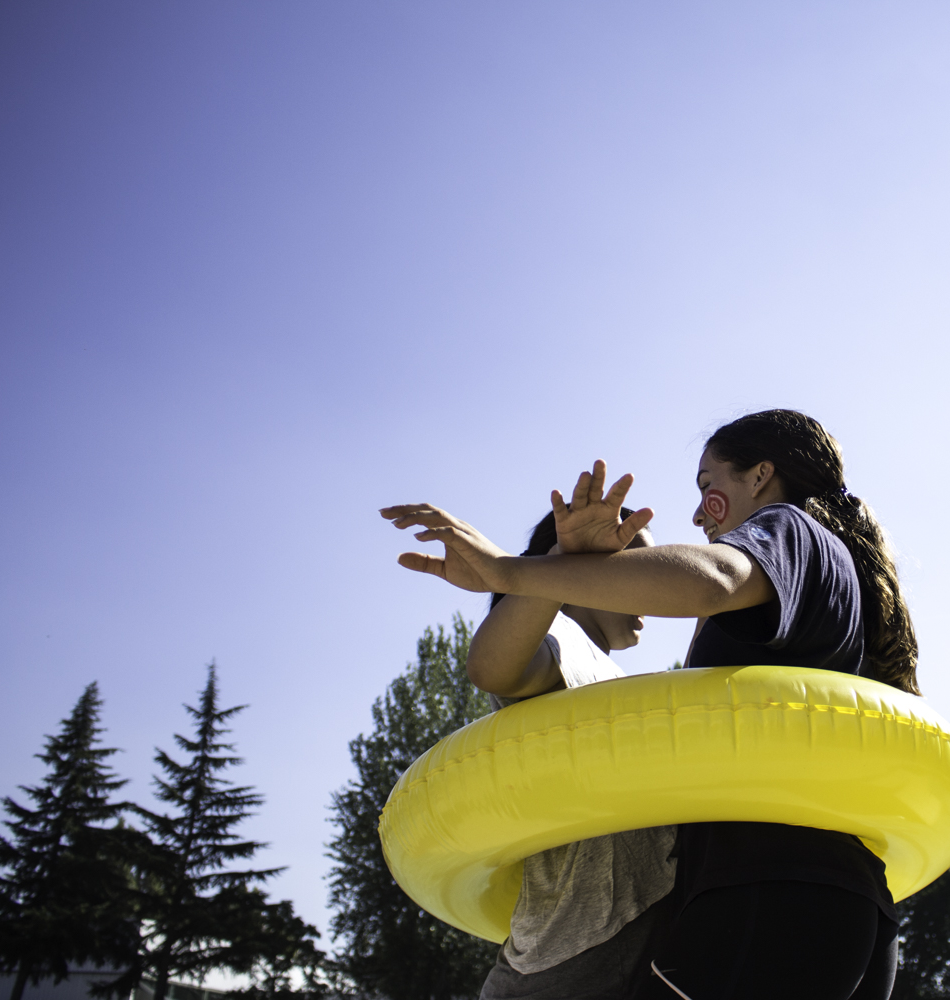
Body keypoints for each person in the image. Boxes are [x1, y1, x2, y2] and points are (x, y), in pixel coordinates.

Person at [381, 410, 920, 1000]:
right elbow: (493, 665)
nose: (696, 513)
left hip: (764, 894)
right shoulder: (831, 570)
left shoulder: (788, 528)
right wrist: (558, 568)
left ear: (761, 476)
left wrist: (514, 570)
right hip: (849, 900)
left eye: (707, 485)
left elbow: (712, 579)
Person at [458, 467, 680, 1000]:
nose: (651, 585)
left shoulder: (611, 678)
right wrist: (558, 567)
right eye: (636, 564)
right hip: (569, 964)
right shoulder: (562, 640)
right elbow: (492, 669)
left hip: (618, 951)